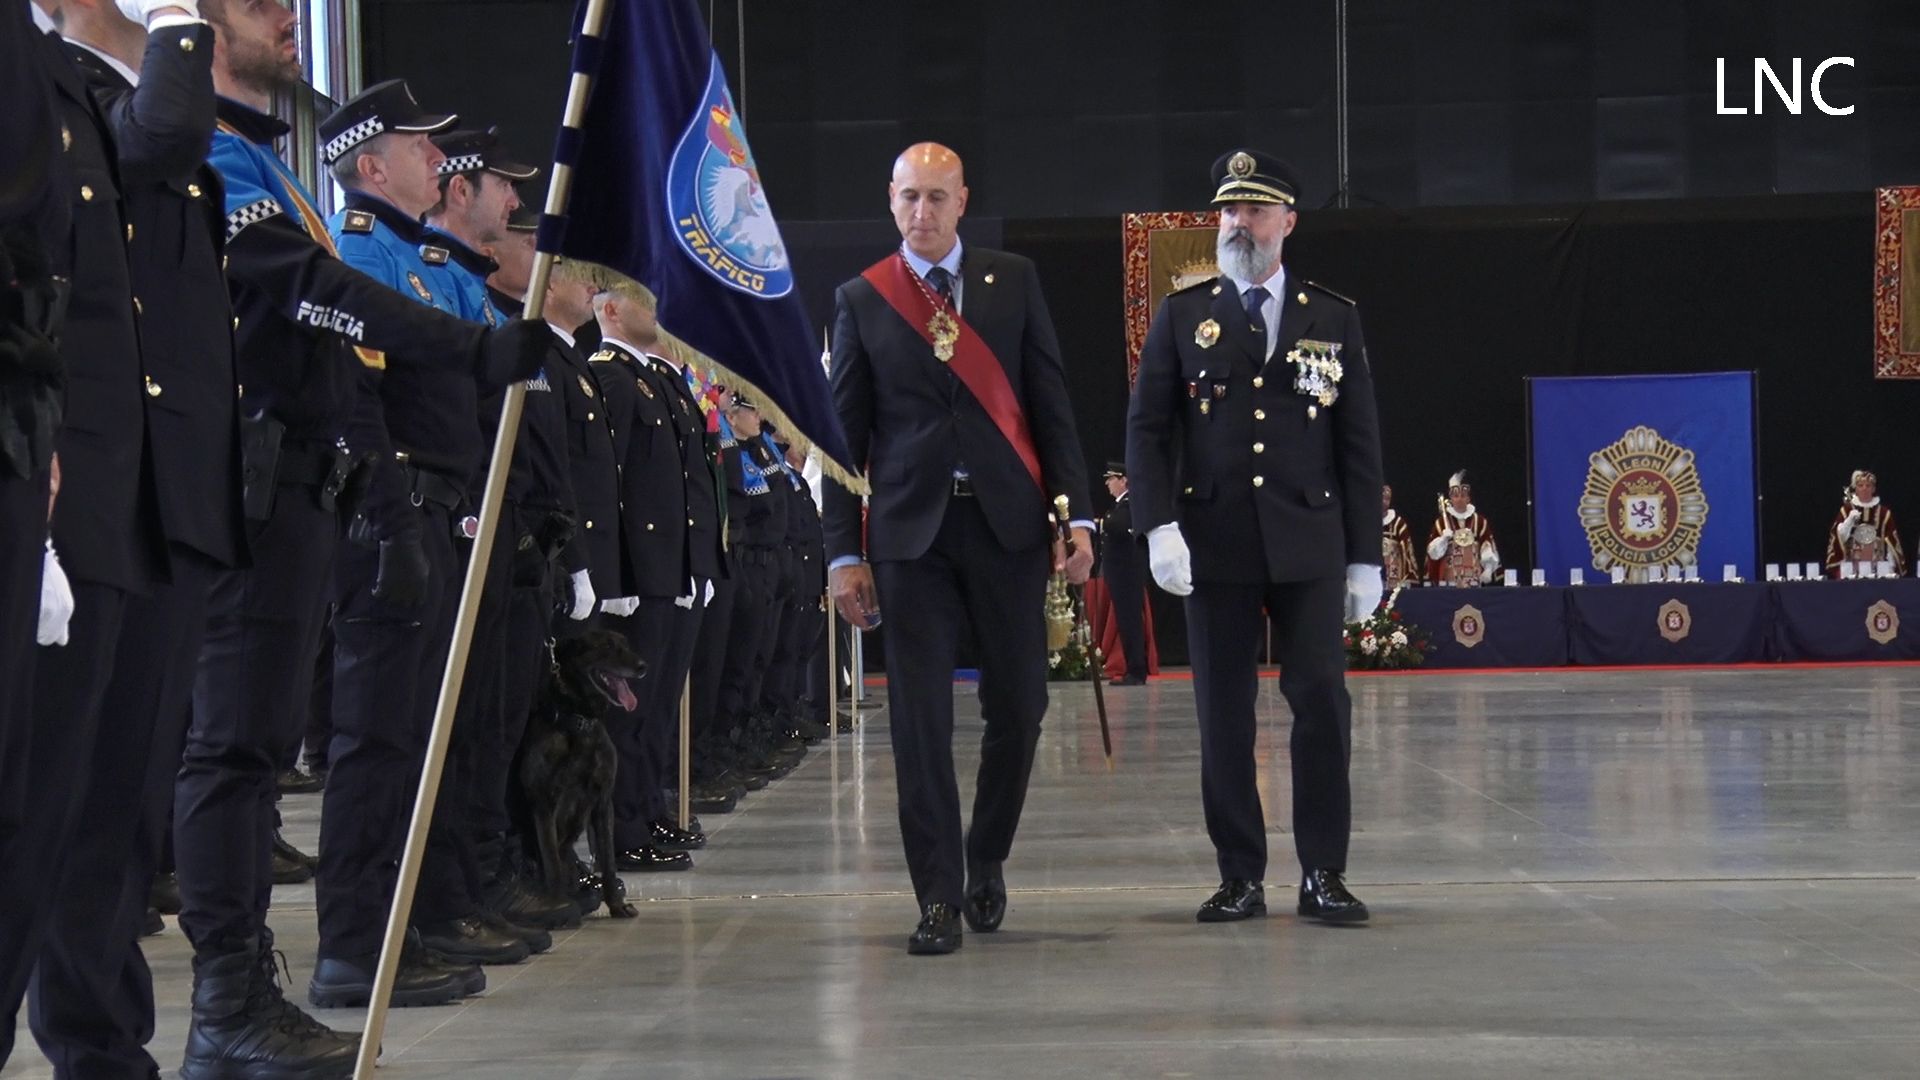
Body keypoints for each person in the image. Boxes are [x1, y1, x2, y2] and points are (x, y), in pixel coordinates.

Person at [174, 0, 548, 1055]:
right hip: (257, 487)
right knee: (245, 751)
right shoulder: (214, 156)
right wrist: (466, 355)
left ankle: (265, 987)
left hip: (313, 490)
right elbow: (304, 295)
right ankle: (232, 1003)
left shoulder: (266, 164)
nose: (288, 17)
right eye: (260, 6)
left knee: (263, 752)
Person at [2, 0, 206, 1069]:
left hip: (129, 504)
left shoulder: (76, 91)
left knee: (115, 808)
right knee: (40, 816)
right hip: (56, 497)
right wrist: (175, 20)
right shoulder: (47, 84)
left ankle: (102, 1047)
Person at [825, 142, 1093, 955]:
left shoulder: (1011, 282)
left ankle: (986, 855)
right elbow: (844, 439)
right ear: (891, 198)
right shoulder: (863, 299)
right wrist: (842, 553)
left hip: (1007, 528)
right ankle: (937, 894)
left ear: (964, 200)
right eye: (909, 197)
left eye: (937, 198)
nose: (922, 213)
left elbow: (1050, 401)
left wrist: (1076, 517)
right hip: (911, 537)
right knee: (919, 721)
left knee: (1022, 706)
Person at [314, 79, 539, 1005]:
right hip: (395, 510)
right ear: (371, 166)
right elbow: (359, 402)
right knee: (377, 738)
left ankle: (408, 922)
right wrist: (390, 516)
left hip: (442, 508)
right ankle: (355, 948)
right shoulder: (361, 255)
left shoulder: (415, 261)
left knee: (423, 738)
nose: (440, 163)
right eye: (420, 147)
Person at [1126, 148, 1382, 926]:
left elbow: (1359, 444)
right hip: (1216, 543)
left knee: (1321, 709)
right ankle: (1240, 874)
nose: (1239, 222)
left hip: (1308, 541)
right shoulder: (1183, 315)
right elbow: (1147, 431)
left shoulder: (1332, 316)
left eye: (1256, 209)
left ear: (1288, 223)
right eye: (1229, 210)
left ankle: (1323, 873)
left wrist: (1365, 554)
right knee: (1224, 718)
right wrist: (1157, 524)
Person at [587, 270, 724, 869]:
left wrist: (700, 565)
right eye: (642, 297)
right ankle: (621, 830)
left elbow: (689, 486)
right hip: (641, 574)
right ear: (611, 310)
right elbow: (607, 487)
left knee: (659, 704)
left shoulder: (659, 381)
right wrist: (613, 576)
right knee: (630, 709)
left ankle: (647, 810)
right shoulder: (611, 379)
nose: (657, 306)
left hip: (674, 570)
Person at [1098, 461, 1150, 685]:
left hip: (1127, 573)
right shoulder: (1120, 506)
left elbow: (1116, 526)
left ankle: (1136, 670)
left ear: (1123, 480)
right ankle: (1134, 667)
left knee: (1130, 621)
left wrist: (1101, 522)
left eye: (1111, 479)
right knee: (1126, 620)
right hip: (1120, 574)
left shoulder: (1130, 504)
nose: (1108, 484)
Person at [1826, 469, 1906, 578]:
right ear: (1856, 489)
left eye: (1868, 485)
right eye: (1860, 485)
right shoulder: (1846, 510)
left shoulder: (1884, 513)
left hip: (1878, 567)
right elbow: (1838, 538)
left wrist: (1890, 567)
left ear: (1873, 489)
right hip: (1851, 568)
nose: (1864, 488)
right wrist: (1849, 521)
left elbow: (1891, 542)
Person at [1426, 469, 1498, 586]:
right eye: (1455, 496)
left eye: (1463, 496)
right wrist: (1443, 538)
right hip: (1449, 582)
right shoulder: (1441, 523)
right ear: (1450, 500)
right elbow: (1432, 554)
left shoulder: (1479, 522)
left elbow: (1487, 546)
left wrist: (1488, 569)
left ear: (1468, 499)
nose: (1459, 499)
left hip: (1474, 580)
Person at [1381, 484, 1417, 590]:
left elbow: (1407, 550)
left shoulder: (1398, 523)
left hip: (1394, 575)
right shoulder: (1367, 522)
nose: (1384, 502)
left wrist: (1408, 575)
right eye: (1381, 498)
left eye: (1387, 499)